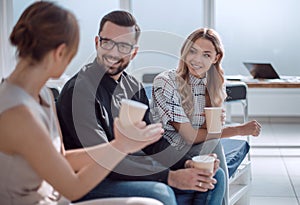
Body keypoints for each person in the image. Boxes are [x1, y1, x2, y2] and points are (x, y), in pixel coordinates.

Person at [0, 2, 165, 205]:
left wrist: (119, 146)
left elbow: (63, 159)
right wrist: (120, 147)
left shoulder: (43, 94)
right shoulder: (17, 113)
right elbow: (73, 187)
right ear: (60, 52)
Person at [56, 10, 225, 205]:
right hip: (95, 180)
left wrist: (187, 163)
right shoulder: (79, 91)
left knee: (213, 178)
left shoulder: (133, 86)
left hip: (134, 170)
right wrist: (169, 177)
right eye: (107, 42)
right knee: (161, 193)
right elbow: (102, 158)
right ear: (97, 42)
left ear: (134, 52)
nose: (113, 52)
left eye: (123, 46)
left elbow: (154, 142)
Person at [151, 28, 262, 204]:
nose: (197, 60)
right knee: (213, 143)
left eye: (206, 55)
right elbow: (188, 136)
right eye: (193, 51)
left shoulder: (214, 83)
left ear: (215, 58)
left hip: (195, 148)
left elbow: (208, 131)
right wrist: (239, 130)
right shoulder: (166, 82)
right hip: (167, 151)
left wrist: (212, 122)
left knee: (213, 152)